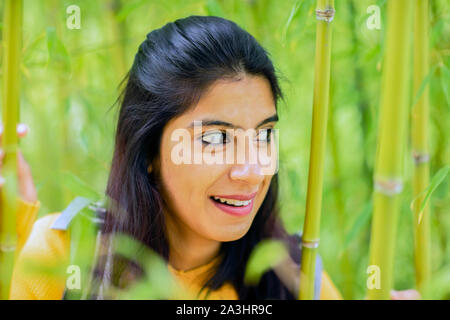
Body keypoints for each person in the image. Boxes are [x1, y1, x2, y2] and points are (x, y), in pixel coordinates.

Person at [6, 16, 419, 300]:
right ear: (149, 150)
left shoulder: (293, 277)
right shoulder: (67, 255)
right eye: (217, 139)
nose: (253, 170)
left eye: (264, 135)